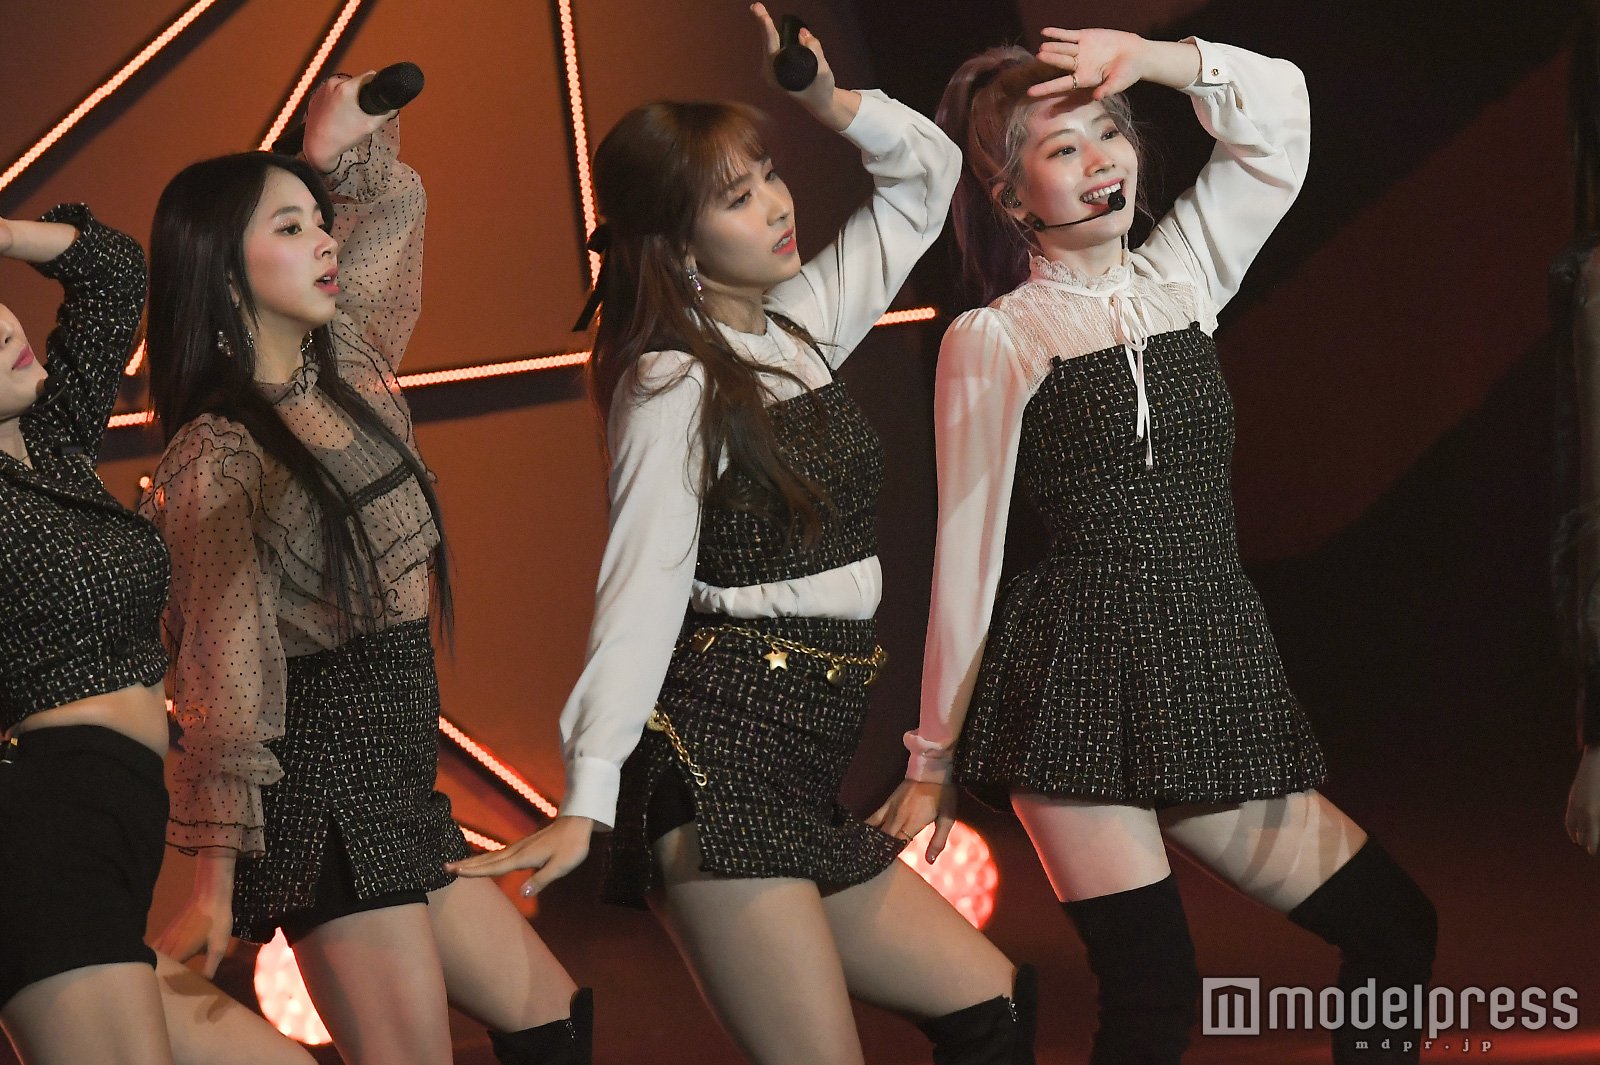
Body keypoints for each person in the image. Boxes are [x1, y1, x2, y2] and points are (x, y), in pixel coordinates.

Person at [450, 7, 1034, 1064]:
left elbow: (929, 175)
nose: (776, 203)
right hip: (718, 761)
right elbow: (640, 590)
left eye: (768, 173)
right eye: (735, 197)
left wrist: (827, 100)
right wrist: (587, 790)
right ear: (676, 245)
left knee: (990, 1007)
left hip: (801, 762)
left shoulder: (800, 324)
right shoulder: (670, 382)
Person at [871, 28, 1437, 1064]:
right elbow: (966, 557)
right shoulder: (995, 338)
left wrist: (1157, 58)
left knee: (1394, 928)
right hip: (1075, 685)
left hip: (1205, 664)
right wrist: (929, 761)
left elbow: (1279, 118)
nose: (1103, 160)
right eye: (1064, 148)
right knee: (1153, 995)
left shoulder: (1184, 276)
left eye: (1111, 131)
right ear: (1010, 197)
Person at [140, 73, 589, 1065]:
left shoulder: (342, 375)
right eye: (290, 228)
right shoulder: (218, 456)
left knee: (552, 1020)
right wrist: (215, 882)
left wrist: (333, 150)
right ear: (221, 270)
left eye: (317, 223)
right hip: (324, 806)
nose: (325, 242)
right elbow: (226, 671)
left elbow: (385, 228)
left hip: (396, 793)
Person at [0, 206, 315, 1065]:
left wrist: (5, 236)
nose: (6, 327)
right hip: (49, 841)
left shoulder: (52, 448)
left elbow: (112, 276)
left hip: (113, 836)